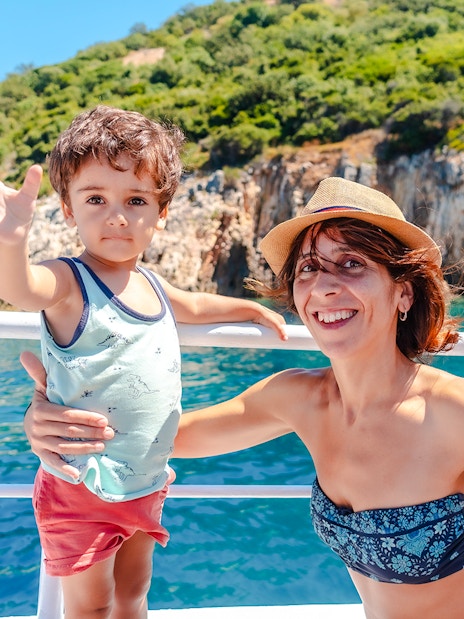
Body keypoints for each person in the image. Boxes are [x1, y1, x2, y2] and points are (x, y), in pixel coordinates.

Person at [22, 176, 464, 619]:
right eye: (309, 268)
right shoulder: (300, 398)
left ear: (403, 292)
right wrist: (49, 419)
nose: (324, 286)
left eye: (351, 264)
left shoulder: (451, 412)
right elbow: (164, 437)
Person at [0, 105, 287, 619]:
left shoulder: (151, 283)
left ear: (162, 212)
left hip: (146, 480)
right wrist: (11, 238)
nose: (117, 215)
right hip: (80, 485)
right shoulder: (69, 282)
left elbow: (195, 306)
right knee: (91, 607)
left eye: (136, 200)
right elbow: (22, 290)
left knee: (133, 594)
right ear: (67, 208)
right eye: (96, 198)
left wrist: (249, 308)